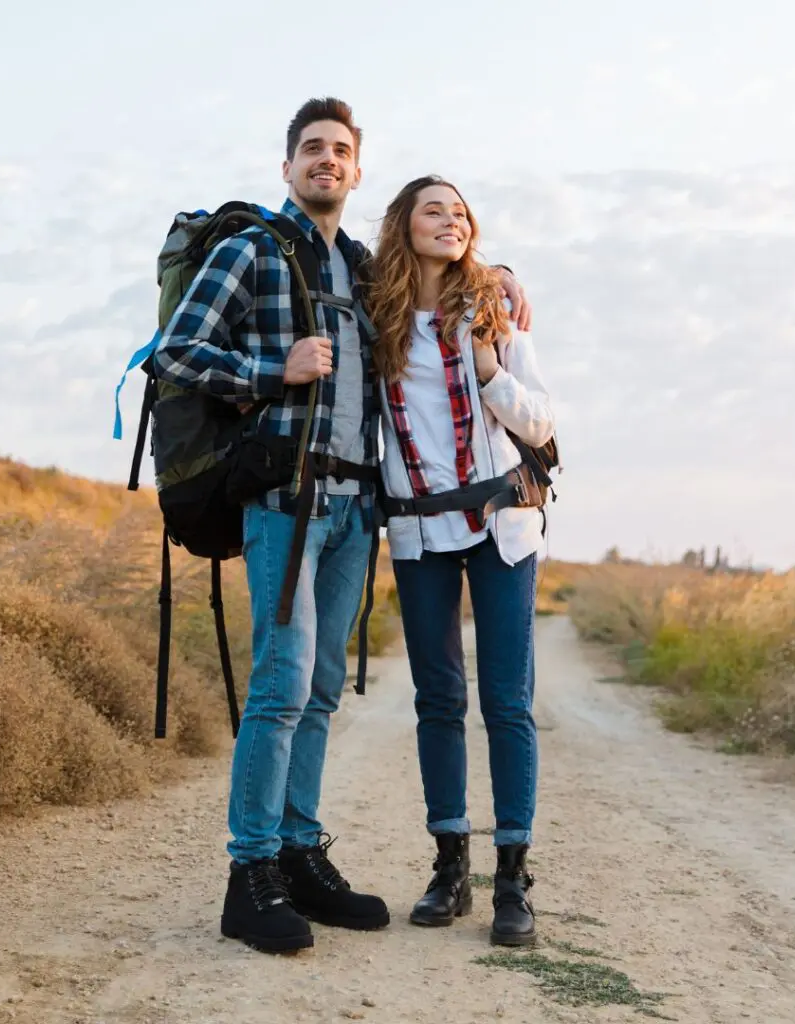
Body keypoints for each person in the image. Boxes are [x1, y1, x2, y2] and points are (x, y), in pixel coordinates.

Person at [153, 102, 530, 954]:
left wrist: (496, 270)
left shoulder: (362, 268)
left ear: (358, 176)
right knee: (282, 686)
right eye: (313, 150)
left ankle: (296, 854)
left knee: (322, 691)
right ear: (288, 168)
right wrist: (268, 368)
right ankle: (248, 877)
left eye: (342, 153)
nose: (328, 161)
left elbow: (435, 277)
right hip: (285, 499)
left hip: (357, 509)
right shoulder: (253, 250)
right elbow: (174, 352)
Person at [367, 175, 555, 947]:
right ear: (403, 226)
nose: (450, 221)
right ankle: (450, 867)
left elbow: (541, 418)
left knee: (506, 701)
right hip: (418, 535)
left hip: (504, 525)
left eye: (460, 212)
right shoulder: (373, 312)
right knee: (438, 700)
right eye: (432, 210)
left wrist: (486, 365)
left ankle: (512, 879)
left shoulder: (494, 310)